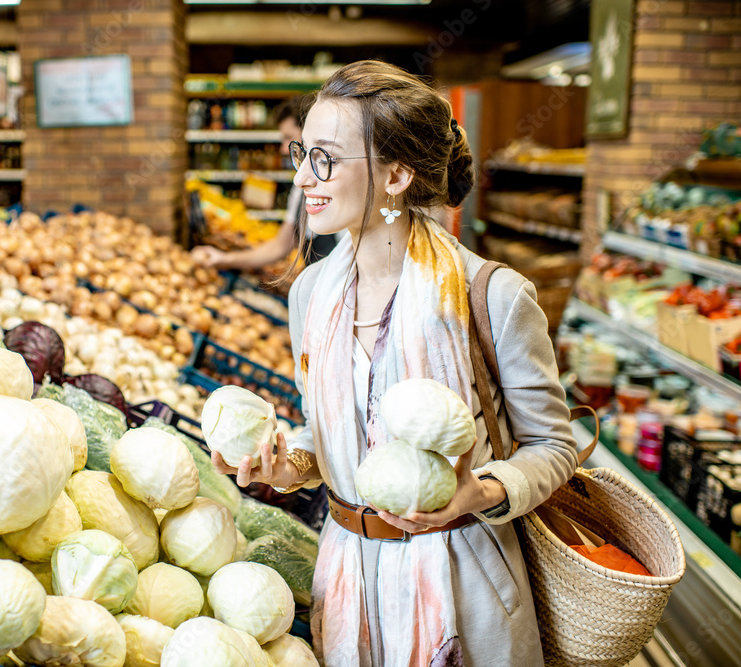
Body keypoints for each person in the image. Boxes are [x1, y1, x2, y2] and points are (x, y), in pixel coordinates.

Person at [211, 60, 578, 666]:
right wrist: (287, 465)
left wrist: (476, 493)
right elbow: (330, 436)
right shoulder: (310, 295)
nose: (303, 176)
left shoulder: (490, 295)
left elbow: (554, 448)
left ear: (398, 174)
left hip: (466, 586)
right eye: (301, 154)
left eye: (324, 158)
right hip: (347, 580)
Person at [190, 95, 338, 270]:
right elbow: (282, 245)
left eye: (288, 137)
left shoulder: (338, 186)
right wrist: (224, 259)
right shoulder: (299, 190)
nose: (284, 149)